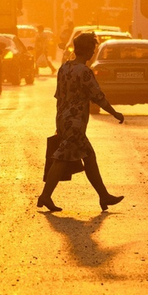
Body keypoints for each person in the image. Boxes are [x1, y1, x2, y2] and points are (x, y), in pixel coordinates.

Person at [37, 31, 124, 213]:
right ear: (87, 50)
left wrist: (59, 122)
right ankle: (45, 196)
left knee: (89, 157)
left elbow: (59, 97)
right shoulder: (84, 72)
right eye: (92, 48)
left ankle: (103, 195)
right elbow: (98, 97)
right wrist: (114, 113)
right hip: (75, 124)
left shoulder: (64, 68)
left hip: (64, 120)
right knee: (61, 158)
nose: (93, 52)